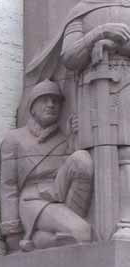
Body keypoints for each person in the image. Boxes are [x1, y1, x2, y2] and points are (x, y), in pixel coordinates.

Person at [25, 1, 130, 239]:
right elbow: (70, 56)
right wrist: (98, 34)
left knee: (126, 155)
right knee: (89, 161)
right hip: (92, 93)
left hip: (126, 85)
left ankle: (126, 221)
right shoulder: (80, 11)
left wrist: (114, 43)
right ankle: (89, 230)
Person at [0, 80, 93, 252]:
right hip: (33, 200)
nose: (51, 105)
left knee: (81, 158)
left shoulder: (63, 138)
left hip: (60, 197)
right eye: (45, 99)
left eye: (55, 101)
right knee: (82, 232)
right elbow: (8, 186)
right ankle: (39, 238)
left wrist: (74, 139)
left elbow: (73, 173)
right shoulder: (14, 139)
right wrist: (11, 232)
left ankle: (39, 240)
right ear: (32, 107)